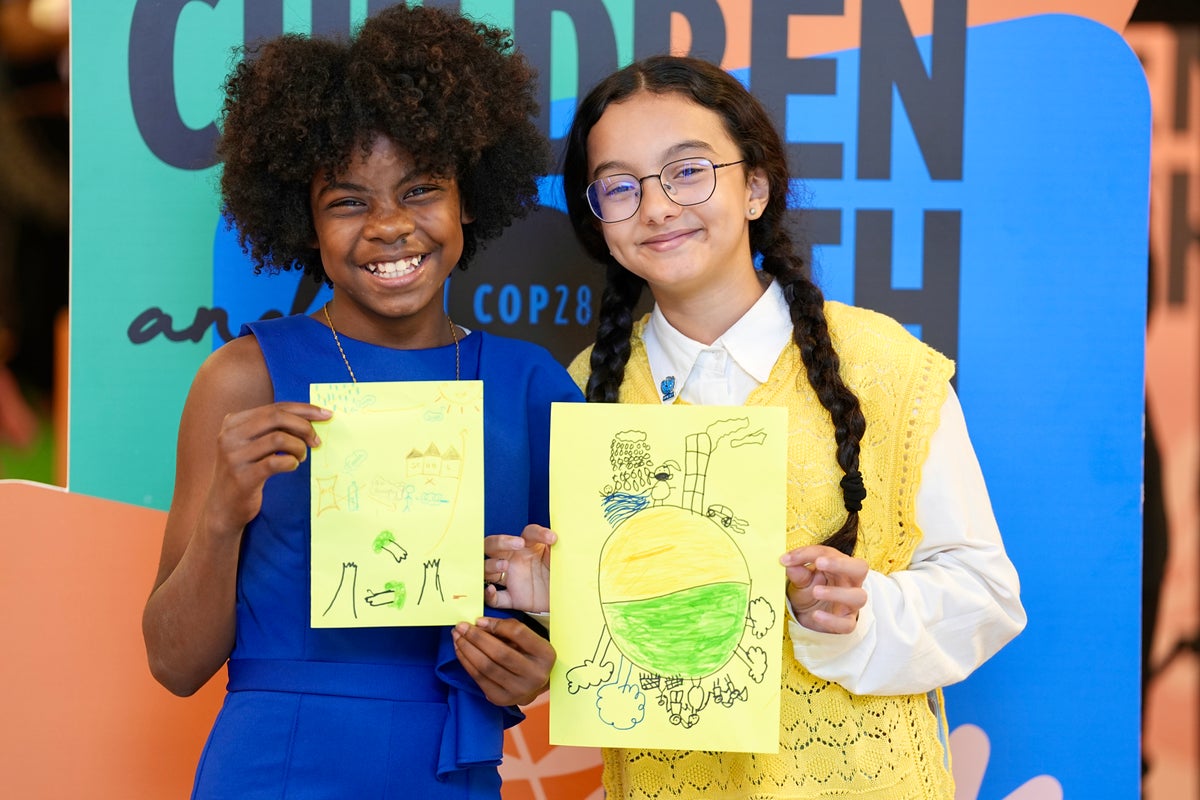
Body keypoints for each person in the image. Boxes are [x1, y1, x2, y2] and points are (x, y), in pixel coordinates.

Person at [557, 55, 1027, 799]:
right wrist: (546, 593)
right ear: (599, 221)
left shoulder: (885, 369)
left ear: (755, 187)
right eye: (619, 186)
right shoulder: (586, 389)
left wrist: (860, 612)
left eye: (687, 171)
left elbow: (986, 593)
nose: (655, 207)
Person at [141, 6, 582, 798]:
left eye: (421, 190)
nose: (388, 226)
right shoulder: (244, 379)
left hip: (449, 763)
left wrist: (541, 663)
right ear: (303, 221)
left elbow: (584, 629)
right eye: (347, 201)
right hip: (272, 766)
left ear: (468, 199)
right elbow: (174, 664)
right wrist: (224, 515)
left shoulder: (531, 388)